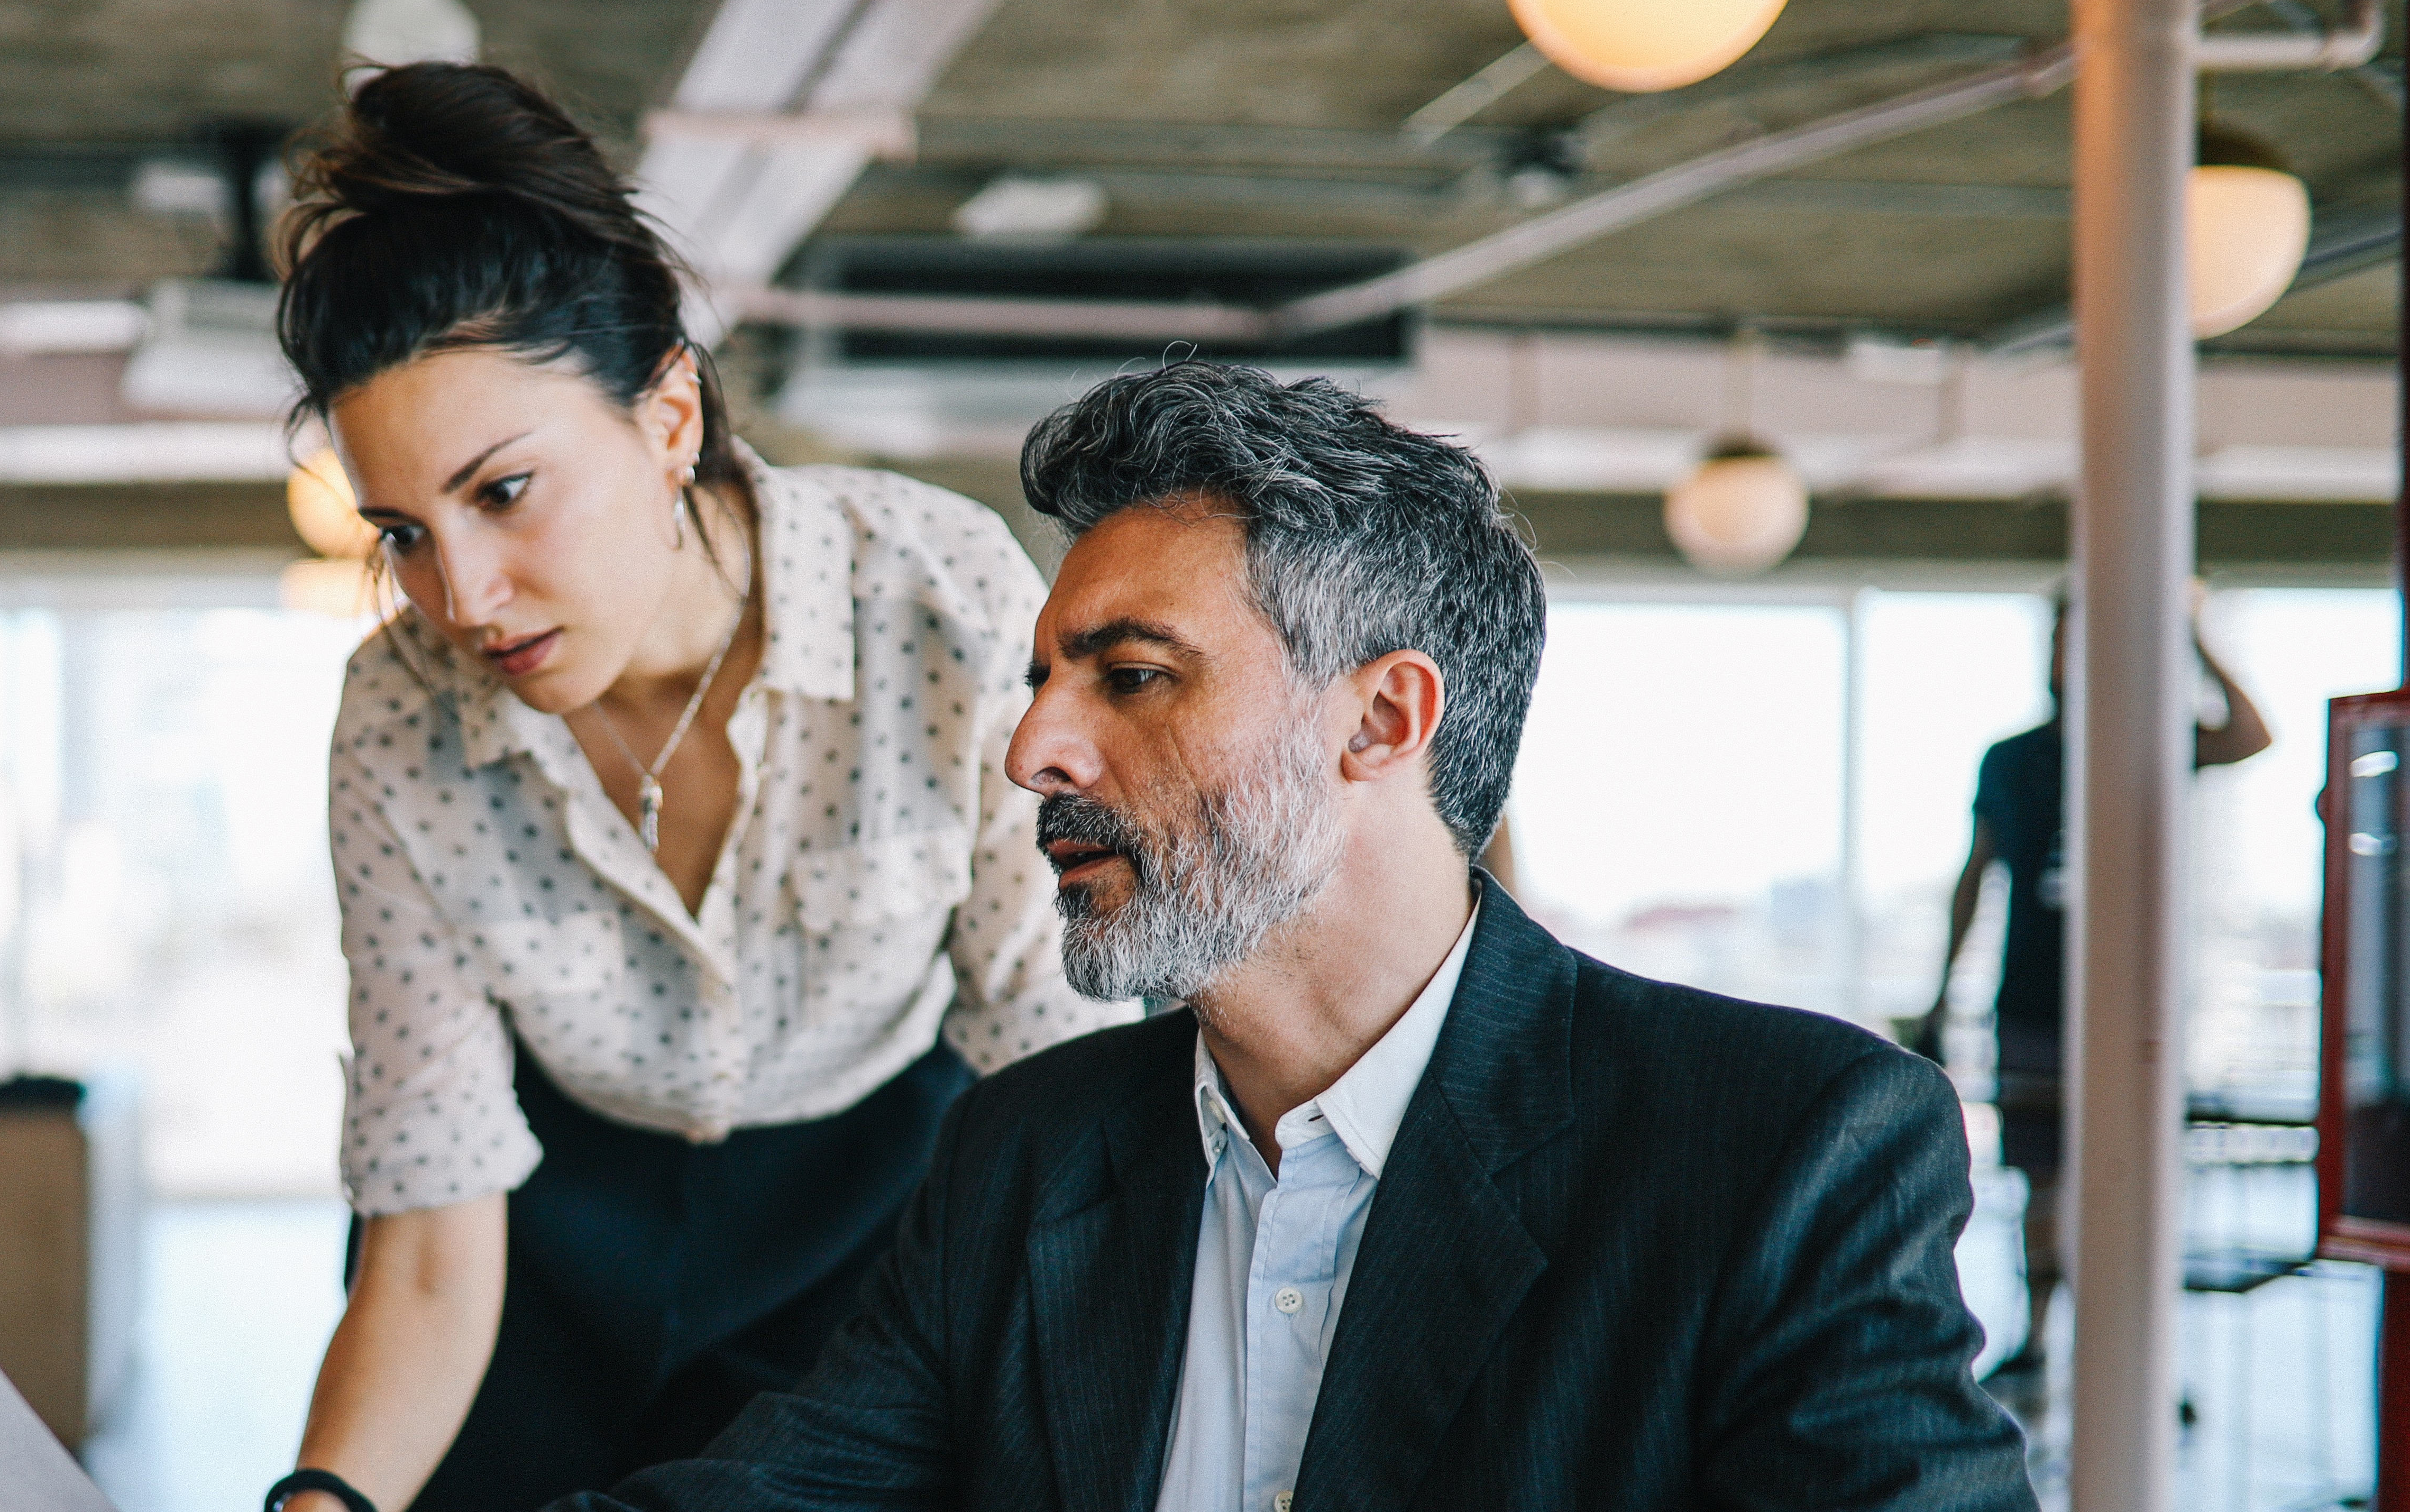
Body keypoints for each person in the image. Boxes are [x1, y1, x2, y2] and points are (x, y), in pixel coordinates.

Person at [553, 362, 2032, 1512]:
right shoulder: (1023, 1154)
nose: (1030, 751)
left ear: (1382, 719)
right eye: (1042, 680)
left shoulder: (1779, 1148)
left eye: (1131, 675)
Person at [261, 63, 1123, 1512]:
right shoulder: (400, 716)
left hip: (872, 1228)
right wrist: (316, 1501)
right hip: (534, 1255)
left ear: (667, 419)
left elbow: (1049, 1071)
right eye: (402, 529)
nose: (459, 594)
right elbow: (427, 1239)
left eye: (504, 490)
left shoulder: (934, 590)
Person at [1919, 597, 2272, 1377]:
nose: (2064, 658)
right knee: (2039, 1176)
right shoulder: (2010, 758)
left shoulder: (2148, 741)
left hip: (2132, 1007)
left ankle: (2133, 1361)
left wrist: (2189, 633)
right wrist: (1945, 992)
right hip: (2033, 1001)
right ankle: (2041, 1333)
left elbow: (2251, 734)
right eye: (2057, 641)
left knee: (2128, 1182)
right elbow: (1977, 875)